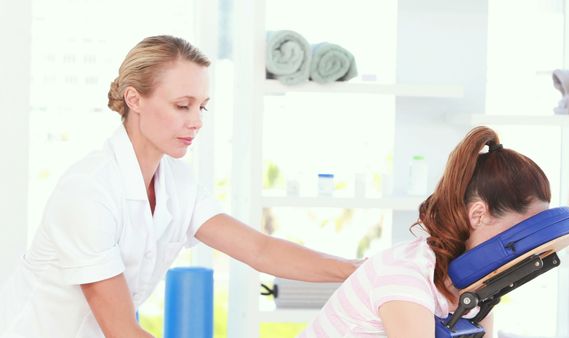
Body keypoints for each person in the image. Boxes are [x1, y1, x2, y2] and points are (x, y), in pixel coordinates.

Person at [0, 35, 359, 338]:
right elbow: (123, 330)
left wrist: (358, 269)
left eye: (202, 107)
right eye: (182, 106)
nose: (197, 121)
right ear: (134, 99)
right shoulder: (88, 192)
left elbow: (260, 250)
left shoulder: (177, 181)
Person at [298, 126, 552, 338]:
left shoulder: (474, 290)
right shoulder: (407, 274)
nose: (529, 243)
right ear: (478, 214)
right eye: (523, 230)